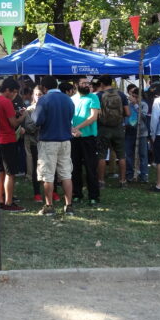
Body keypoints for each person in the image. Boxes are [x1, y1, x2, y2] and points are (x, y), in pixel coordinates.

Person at [32, 76, 75, 216]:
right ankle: (69, 206)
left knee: (48, 176)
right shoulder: (68, 99)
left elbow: (37, 120)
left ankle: (49, 206)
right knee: (66, 174)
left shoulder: (44, 100)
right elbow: (70, 117)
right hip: (65, 140)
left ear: (44, 88)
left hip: (48, 141)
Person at [0, 77, 27, 212]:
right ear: (8, 90)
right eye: (14, 92)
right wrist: (23, 116)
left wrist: (15, 113)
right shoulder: (6, 102)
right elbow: (14, 123)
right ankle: (9, 202)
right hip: (8, 140)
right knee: (10, 173)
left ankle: (0, 199)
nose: (15, 95)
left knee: (0, 172)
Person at [95, 75, 130, 188]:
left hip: (103, 128)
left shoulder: (98, 96)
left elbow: (96, 114)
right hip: (118, 128)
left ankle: (101, 182)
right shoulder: (121, 94)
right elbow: (128, 113)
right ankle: (122, 181)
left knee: (101, 155)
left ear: (101, 84)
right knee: (121, 155)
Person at [70, 76, 101, 206]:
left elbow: (93, 117)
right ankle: (77, 194)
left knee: (90, 168)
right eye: (83, 83)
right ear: (76, 85)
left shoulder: (93, 97)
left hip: (89, 138)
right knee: (75, 168)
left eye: (87, 83)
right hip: (74, 138)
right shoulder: (71, 99)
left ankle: (93, 196)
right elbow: (69, 117)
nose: (87, 85)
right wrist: (72, 129)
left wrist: (78, 127)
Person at [22, 86, 43, 202]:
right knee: (35, 167)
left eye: (40, 94)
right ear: (33, 96)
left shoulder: (47, 107)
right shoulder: (29, 109)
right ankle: (37, 193)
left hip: (46, 141)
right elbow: (29, 126)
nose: (39, 96)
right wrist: (40, 124)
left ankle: (53, 191)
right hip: (34, 141)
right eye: (37, 94)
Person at [124, 85, 149, 183]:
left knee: (143, 154)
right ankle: (129, 174)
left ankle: (144, 175)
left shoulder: (143, 105)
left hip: (142, 132)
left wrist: (135, 105)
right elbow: (126, 117)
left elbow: (143, 116)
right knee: (128, 154)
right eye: (132, 96)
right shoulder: (129, 105)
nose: (133, 98)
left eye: (135, 96)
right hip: (130, 132)